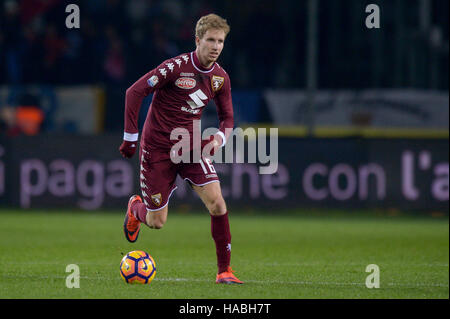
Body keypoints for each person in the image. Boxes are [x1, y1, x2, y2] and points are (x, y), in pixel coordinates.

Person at [119, 14, 243, 284]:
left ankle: (224, 271)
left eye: (220, 41)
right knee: (156, 222)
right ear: (198, 40)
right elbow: (134, 92)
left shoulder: (220, 78)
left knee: (218, 203)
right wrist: (130, 137)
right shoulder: (174, 68)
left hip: (190, 147)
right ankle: (135, 209)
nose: (216, 46)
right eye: (210, 40)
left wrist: (219, 139)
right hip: (157, 150)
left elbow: (228, 119)